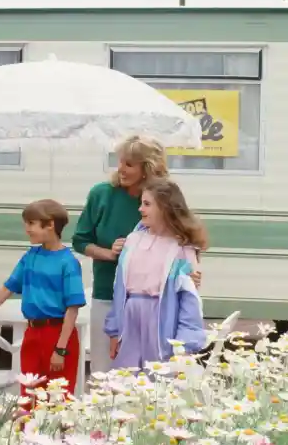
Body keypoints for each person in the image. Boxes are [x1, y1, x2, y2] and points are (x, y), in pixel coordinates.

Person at [72, 135, 201, 374]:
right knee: (106, 367)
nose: (120, 168)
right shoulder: (102, 194)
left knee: (150, 371)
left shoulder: (161, 198)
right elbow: (80, 241)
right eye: (119, 161)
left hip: (157, 304)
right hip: (107, 293)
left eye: (129, 164)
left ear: (147, 169)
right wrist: (111, 254)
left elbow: (179, 239)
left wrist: (186, 277)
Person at [0, 199, 87, 399]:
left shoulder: (68, 263)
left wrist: (61, 349)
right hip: (32, 334)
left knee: (58, 398)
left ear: (50, 225)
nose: (27, 229)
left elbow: (72, 309)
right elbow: (7, 288)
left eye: (31, 223)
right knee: (28, 397)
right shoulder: (30, 257)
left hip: (57, 334)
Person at [104, 177, 207, 369]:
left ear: (165, 208)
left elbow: (189, 300)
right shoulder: (133, 240)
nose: (140, 209)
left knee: (158, 378)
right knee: (125, 378)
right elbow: (119, 289)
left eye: (147, 204)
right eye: (141, 203)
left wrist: (185, 342)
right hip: (130, 320)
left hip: (161, 320)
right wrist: (115, 332)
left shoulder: (181, 249)